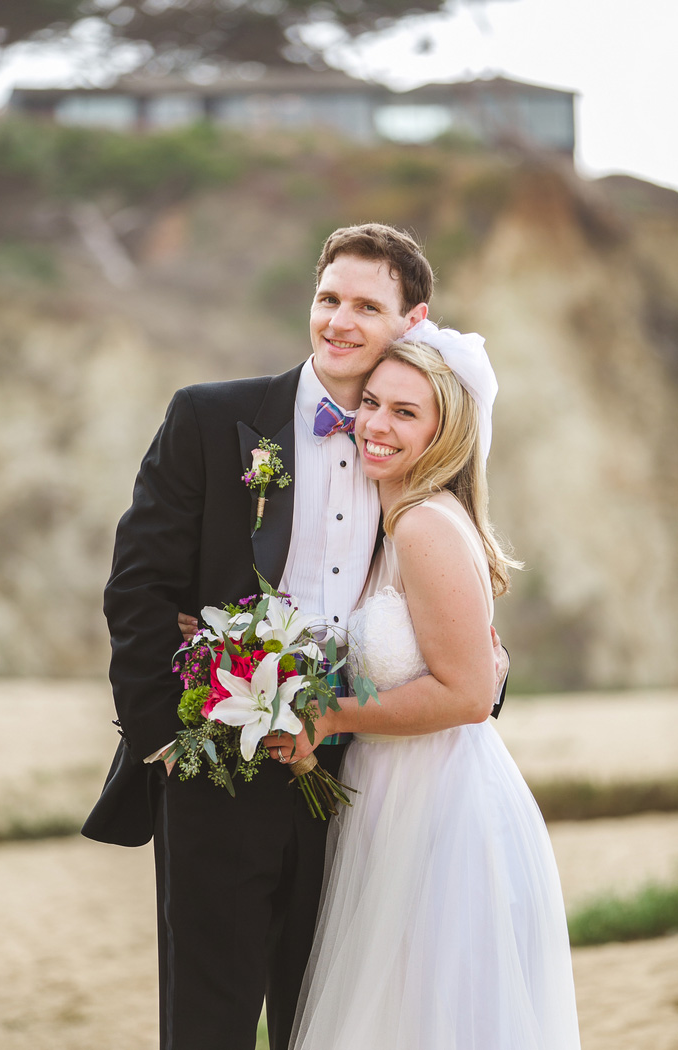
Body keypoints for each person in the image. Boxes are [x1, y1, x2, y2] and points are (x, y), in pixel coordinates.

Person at [81, 223, 508, 1050]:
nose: (339, 321)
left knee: (327, 1024)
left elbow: (454, 620)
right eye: (328, 298)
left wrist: (479, 682)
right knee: (208, 1024)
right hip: (216, 772)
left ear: (411, 322)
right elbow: (138, 589)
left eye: (366, 306)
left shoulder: (415, 455)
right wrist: (166, 741)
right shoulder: (211, 417)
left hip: (359, 787)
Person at [267, 327, 581, 1049]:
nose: (375, 424)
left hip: (438, 810)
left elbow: (468, 695)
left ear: (447, 431)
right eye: (372, 402)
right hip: (397, 796)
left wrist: (324, 718)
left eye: (406, 413)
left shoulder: (424, 528)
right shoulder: (400, 518)